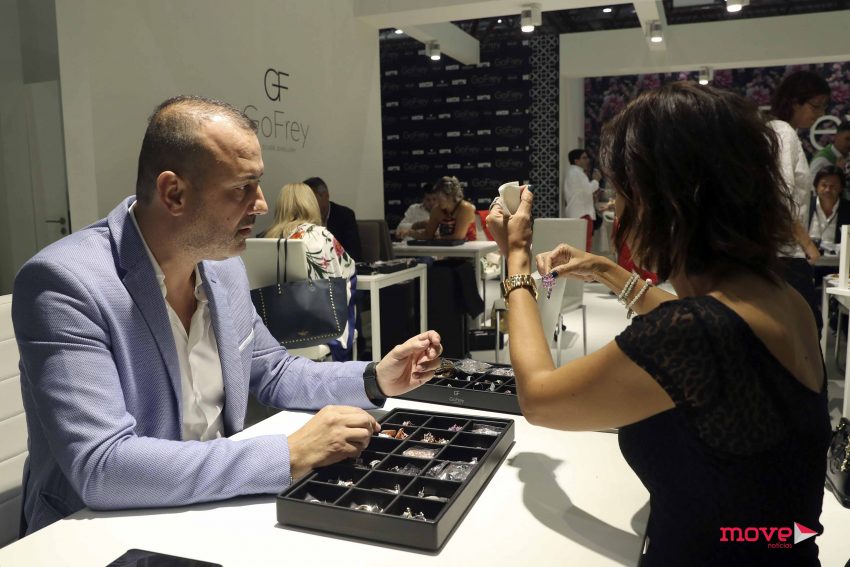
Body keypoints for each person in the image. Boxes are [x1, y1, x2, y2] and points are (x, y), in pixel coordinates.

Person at [12, 95, 442, 535]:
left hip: (212, 511)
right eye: (241, 188)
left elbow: (272, 370)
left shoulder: (222, 267)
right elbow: (103, 466)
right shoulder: (64, 284)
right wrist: (289, 453)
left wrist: (374, 378)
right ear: (174, 193)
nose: (261, 204)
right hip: (99, 533)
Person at [488, 82, 829, 566]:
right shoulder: (781, 297)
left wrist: (517, 256)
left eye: (621, 193)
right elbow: (710, 327)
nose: (616, 210)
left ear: (659, 200)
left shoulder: (696, 332)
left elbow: (540, 399)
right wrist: (606, 270)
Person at [264, 183, 357, 361]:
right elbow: (346, 268)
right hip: (317, 326)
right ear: (310, 204)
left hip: (277, 326)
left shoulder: (268, 238)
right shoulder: (320, 236)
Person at [767, 69, 831, 329]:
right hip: (785, 253)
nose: (819, 113)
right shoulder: (783, 133)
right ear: (795, 102)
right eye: (815, 106)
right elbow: (781, 196)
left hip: (780, 251)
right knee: (808, 329)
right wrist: (807, 244)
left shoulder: (777, 131)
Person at [808, 165, 850, 286]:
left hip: (839, 269)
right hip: (809, 265)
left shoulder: (848, 209)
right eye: (824, 185)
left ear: (841, 188)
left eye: (833, 186)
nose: (828, 190)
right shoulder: (806, 206)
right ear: (816, 187)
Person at [303, 176, 362, 261]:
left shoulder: (344, 215)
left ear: (326, 196)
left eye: (311, 199)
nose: (307, 204)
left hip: (338, 265)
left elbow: (354, 252)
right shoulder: (303, 217)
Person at [413, 176, 477, 241]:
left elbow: (458, 236)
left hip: (469, 245)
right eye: (437, 197)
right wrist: (410, 233)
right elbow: (428, 235)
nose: (437, 202)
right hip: (444, 246)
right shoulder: (436, 210)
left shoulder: (465, 208)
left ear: (451, 196)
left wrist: (438, 239)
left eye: (440, 198)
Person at [562, 148, 602, 252]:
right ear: (576, 161)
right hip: (582, 213)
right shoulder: (577, 173)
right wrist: (596, 180)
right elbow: (589, 189)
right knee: (584, 244)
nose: (587, 160)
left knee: (579, 243)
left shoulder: (573, 172)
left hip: (577, 212)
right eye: (584, 158)